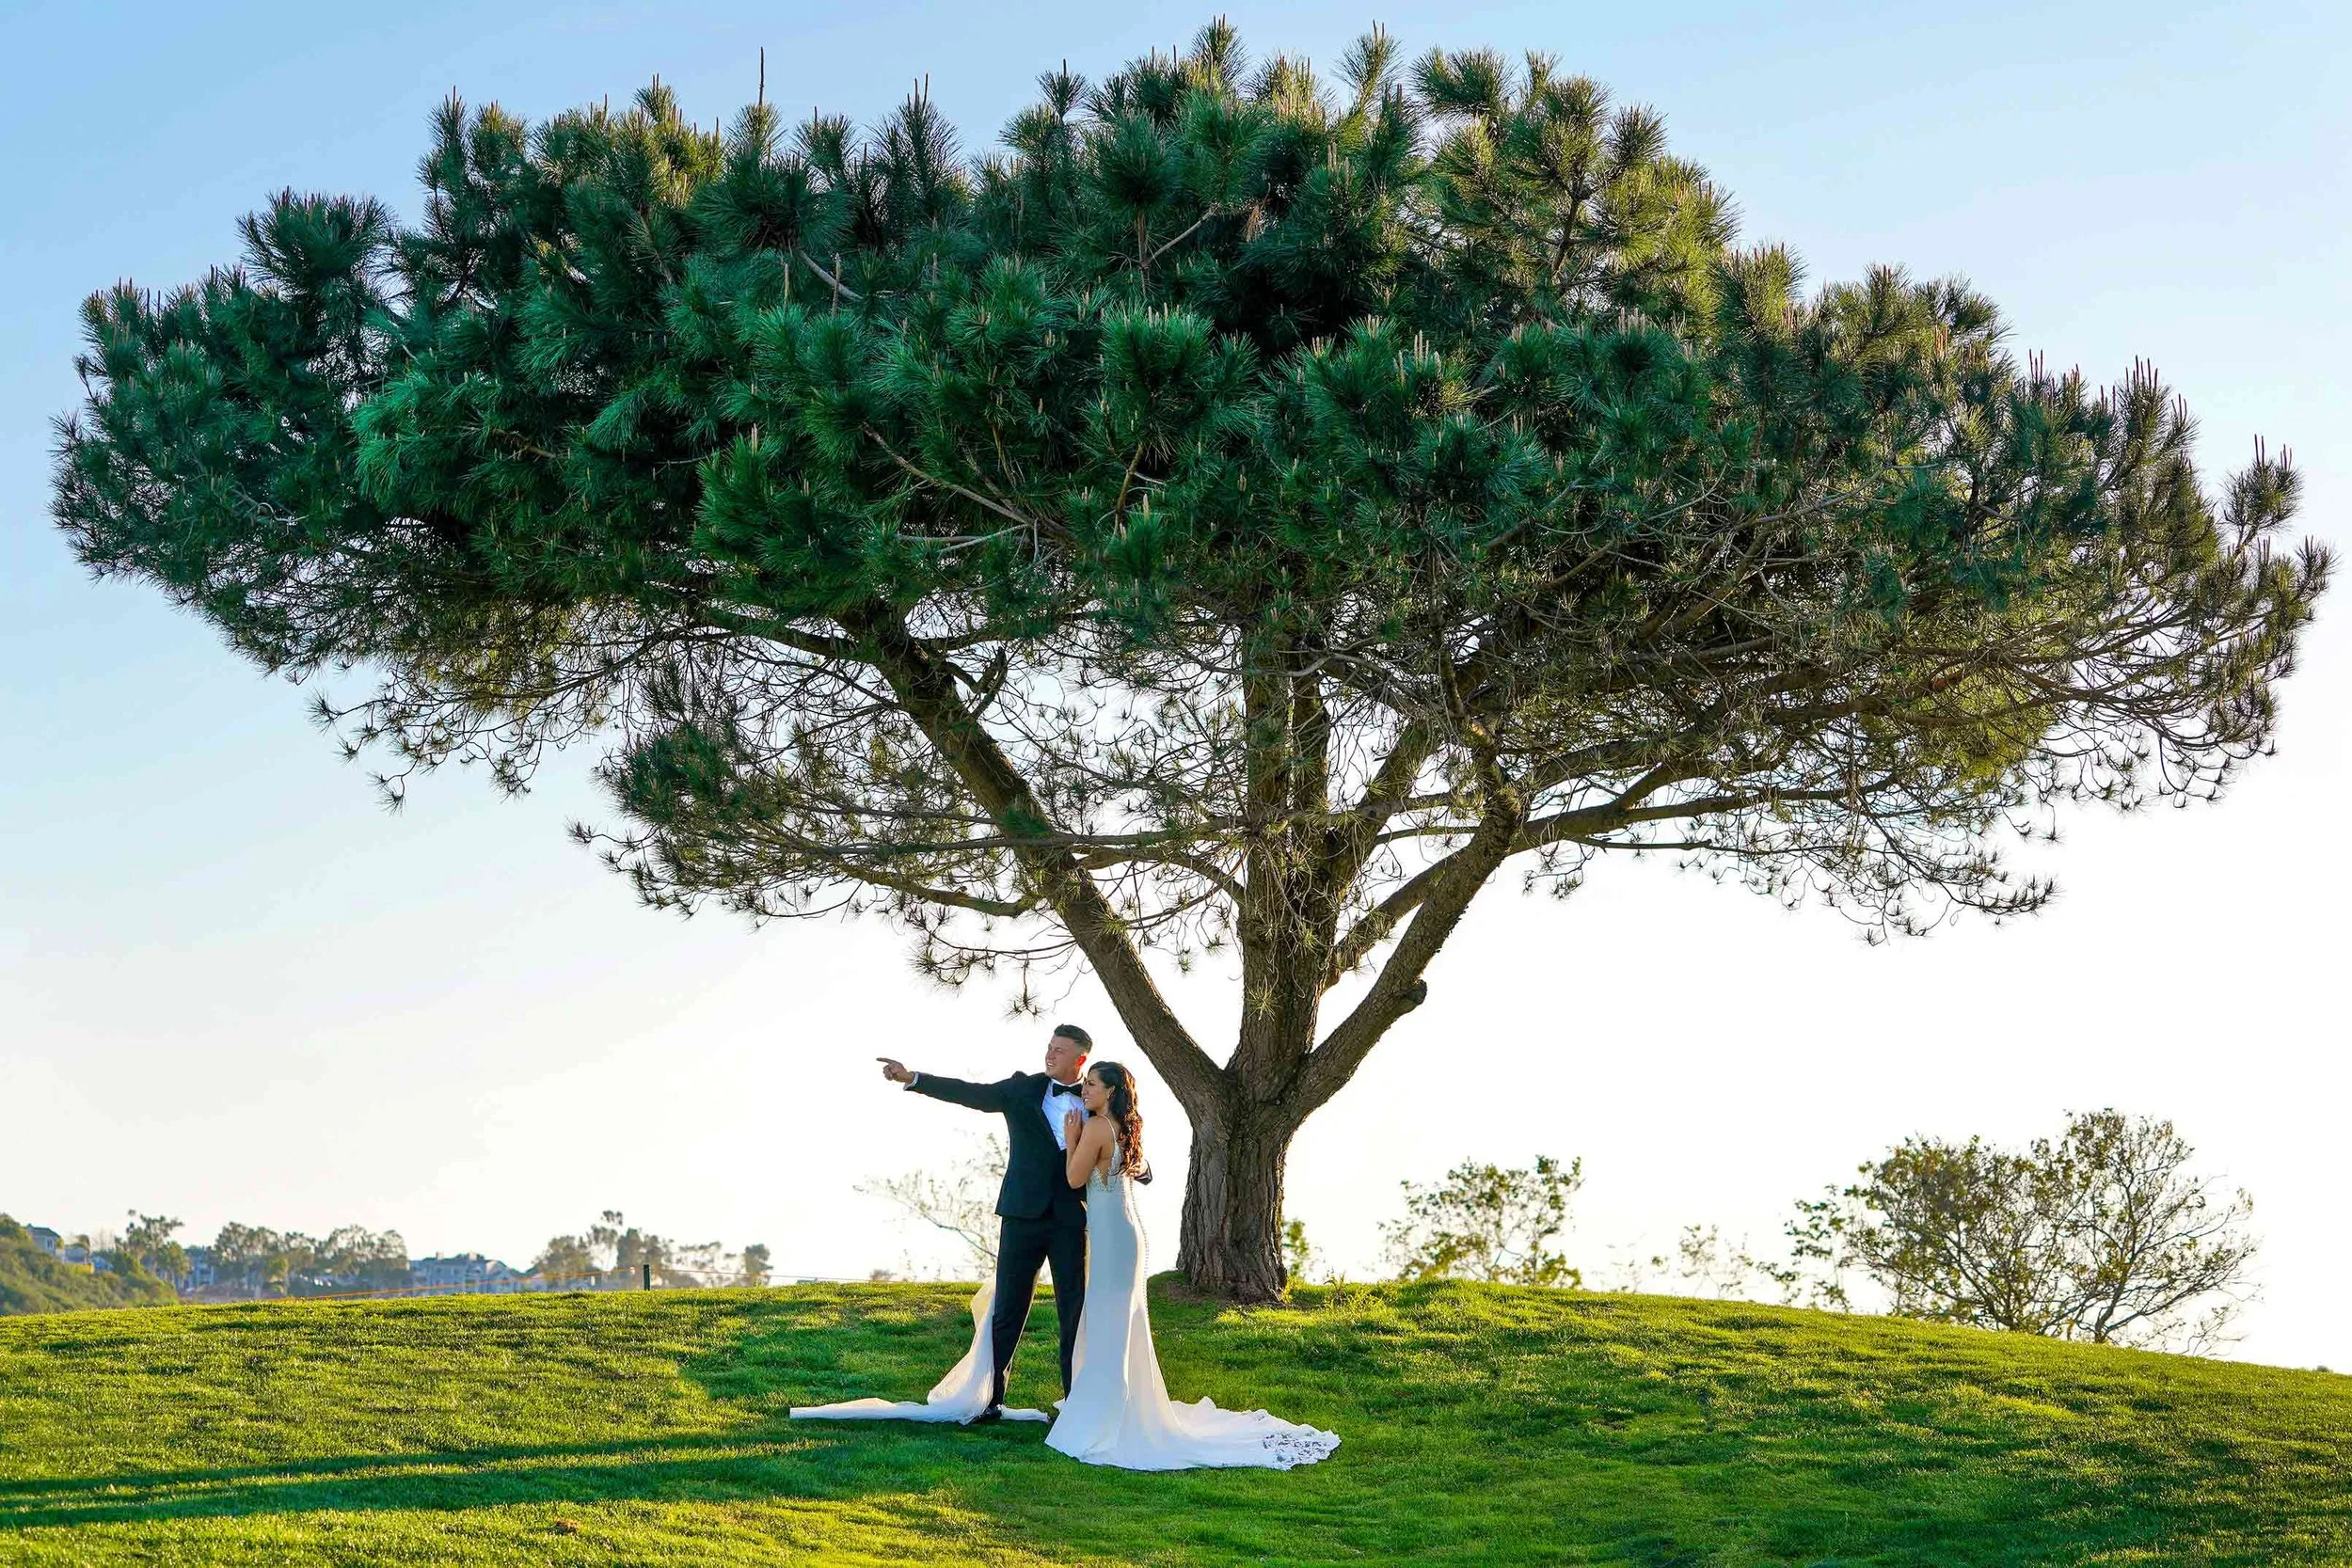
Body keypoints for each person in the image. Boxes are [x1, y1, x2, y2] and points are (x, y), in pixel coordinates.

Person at [1040, 1060, 1340, 1471]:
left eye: (1091, 1084)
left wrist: (1072, 1138)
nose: (1085, 1090)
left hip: (1112, 1239)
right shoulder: (1122, 1127)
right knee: (1118, 1324)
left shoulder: (1093, 1128)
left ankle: (1107, 1415)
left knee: (1109, 1323)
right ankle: (1117, 1403)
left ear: (1110, 1092)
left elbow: (1075, 1180)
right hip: (1124, 1235)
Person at [791, 1024, 1096, 1426]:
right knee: (1008, 1309)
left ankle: (1076, 1403)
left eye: (1060, 1050)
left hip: (1073, 1219)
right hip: (1021, 1215)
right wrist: (914, 1078)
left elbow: (1120, 1139)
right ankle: (990, 1399)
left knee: (1074, 1311)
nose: (1050, 1055)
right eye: (1049, 1047)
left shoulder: (1097, 1097)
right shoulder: (1022, 1089)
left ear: (1080, 1059)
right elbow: (969, 1092)